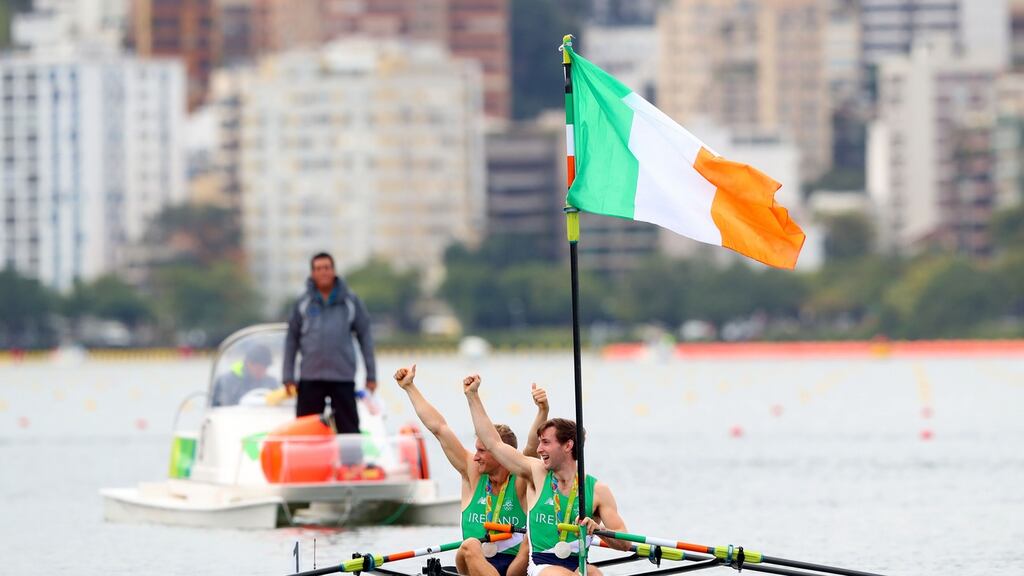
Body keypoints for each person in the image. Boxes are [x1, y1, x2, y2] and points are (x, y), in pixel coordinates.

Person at [463, 374, 632, 576]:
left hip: (578, 566)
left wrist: (597, 528)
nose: (539, 449)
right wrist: (472, 396)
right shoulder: (536, 474)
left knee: (595, 574)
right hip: (541, 567)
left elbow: (624, 544)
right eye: (540, 442)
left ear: (568, 445)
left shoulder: (597, 491)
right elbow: (493, 443)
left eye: (546, 442)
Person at [394, 364, 550, 576]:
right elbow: (439, 429)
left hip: (515, 568)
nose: (474, 456)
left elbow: (531, 447)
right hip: (474, 563)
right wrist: (409, 387)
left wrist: (543, 411)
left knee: (529, 542)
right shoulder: (472, 472)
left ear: (502, 454)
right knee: (469, 545)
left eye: (482, 451)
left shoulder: (522, 480)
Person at [283, 252, 377, 432]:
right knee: (306, 428)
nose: (323, 272)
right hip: (310, 376)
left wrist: (371, 375)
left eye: (327, 268)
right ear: (312, 273)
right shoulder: (303, 302)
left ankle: (351, 460)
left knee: (349, 427)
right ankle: (307, 460)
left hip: (342, 376)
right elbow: (291, 340)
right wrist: (288, 376)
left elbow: (365, 337)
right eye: (318, 269)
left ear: (333, 271)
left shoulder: (350, 301)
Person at [211, 344, 277, 407]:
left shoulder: (272, 382)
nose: (262, 372)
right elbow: (221, 407)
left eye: (265, 368)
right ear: (249, 363)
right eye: (259, 369)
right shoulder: (227, 381)